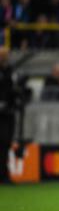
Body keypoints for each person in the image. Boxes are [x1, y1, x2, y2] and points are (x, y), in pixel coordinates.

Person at [0, 47, 14, 183]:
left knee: (6, 143)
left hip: (8, 113)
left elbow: (11, 90)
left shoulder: (9, 70)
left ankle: (4, 174)